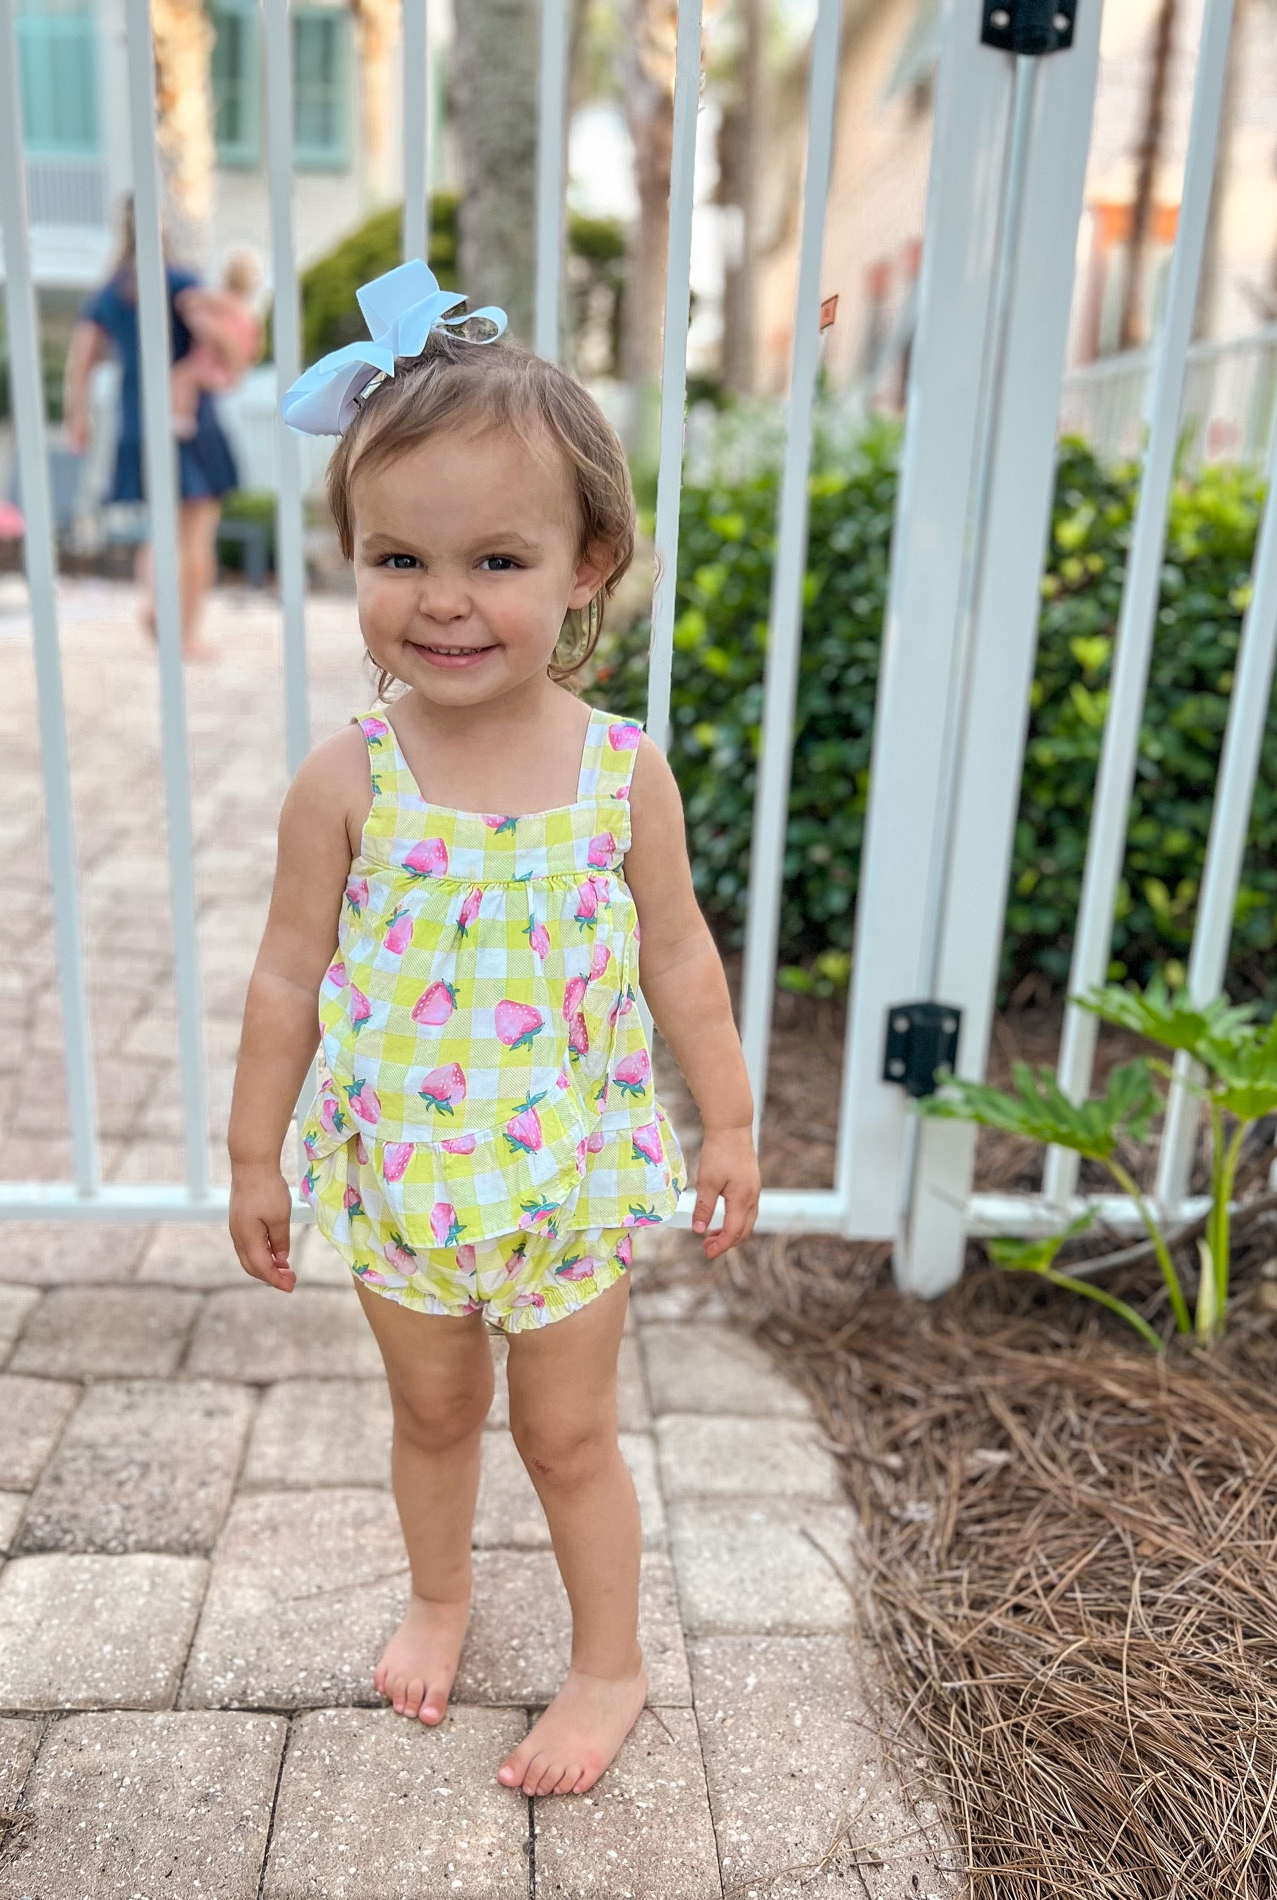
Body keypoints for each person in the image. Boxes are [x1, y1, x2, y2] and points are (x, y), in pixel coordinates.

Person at [226, 261, 760, 1799]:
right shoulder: (347, 779)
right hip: (400, 1180)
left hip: (568, 1177)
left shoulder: (617, 775)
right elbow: (283, 977)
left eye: (498, 559)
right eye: (399, 555)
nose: (444, 600)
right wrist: (256, 1153)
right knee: (432, 1409)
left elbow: (680, 958)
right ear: (350, 555)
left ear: (590, 563)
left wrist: (723, 1119)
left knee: (569, 1435)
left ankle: (612, 1664)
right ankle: (441, 1593)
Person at [63, 203, 241, 660]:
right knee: (196, 532)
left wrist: (76, 416)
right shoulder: (181, 282)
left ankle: (153, 602)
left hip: (136, 424)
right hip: (188, 424)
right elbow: (224, 344)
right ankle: (187, 635)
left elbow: (82, 358)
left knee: (160, 528)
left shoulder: (110, 293)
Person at [168, 249, 262, 440]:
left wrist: (190, 304)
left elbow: (187, 301)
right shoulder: (248, 313)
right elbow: (254, 348)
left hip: (213, 366)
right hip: (227, 370)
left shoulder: (223, 302)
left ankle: (182, 420)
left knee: (181, 377)